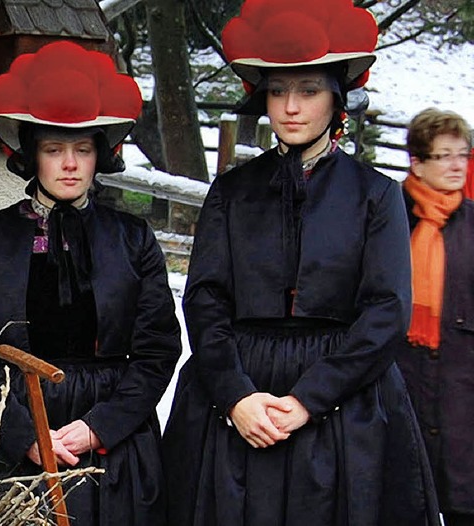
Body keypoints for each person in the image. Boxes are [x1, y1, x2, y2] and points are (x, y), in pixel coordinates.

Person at [162, 1, 440, 525]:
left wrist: (311, 399)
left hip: (342, 402)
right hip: (237, 394)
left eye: (308, 91)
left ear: (336, 101)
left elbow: (386, 312)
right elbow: (204, 299)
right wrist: (236, 396)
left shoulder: (375, 195)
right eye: (278, 91)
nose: (290, 106)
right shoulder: (232, 191)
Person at [0, 41, 181, 525]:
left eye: (82, 149)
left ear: (99, 156)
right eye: (54, 149)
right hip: (6, 432)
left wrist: (99, 427)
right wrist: (24, 434)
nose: (69, 163)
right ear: (32, 155)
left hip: (112, 443)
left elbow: (157, 351)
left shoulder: (133, 240)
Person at [395, 108, 474, 526]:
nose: (457, 164)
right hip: (400, 388)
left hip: (463, 400)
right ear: (417, 163)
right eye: (444, 155)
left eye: (462, 153)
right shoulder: (388, 217)